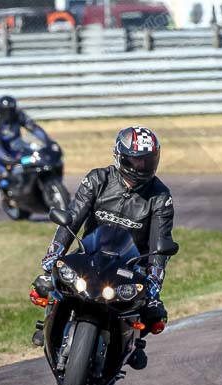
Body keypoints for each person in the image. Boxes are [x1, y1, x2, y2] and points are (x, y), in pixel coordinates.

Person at [34, 126, 175, 370]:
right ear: (120, 156)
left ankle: (133, 344)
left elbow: (159, 244)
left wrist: (154, 282)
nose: (141, 166)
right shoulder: (97, 179)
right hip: (90, 255)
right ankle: (46, 325)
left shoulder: (160, 196)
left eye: (147, 160)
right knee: (50, 282)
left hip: (131, 265)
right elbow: (73, 219)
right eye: (135, 160)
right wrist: (52, 258)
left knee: (152, 311)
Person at [0, 95, 51, 191]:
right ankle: (6, 192)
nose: (9, 113)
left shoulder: (19, 115)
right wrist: (7, 159)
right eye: (6, 111)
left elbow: (34, 128)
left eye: (11, 110)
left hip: (18, 147)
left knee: (38, 159)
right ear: (1, 110)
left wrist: (47, 141)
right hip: (2, 153)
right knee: (9, 175)